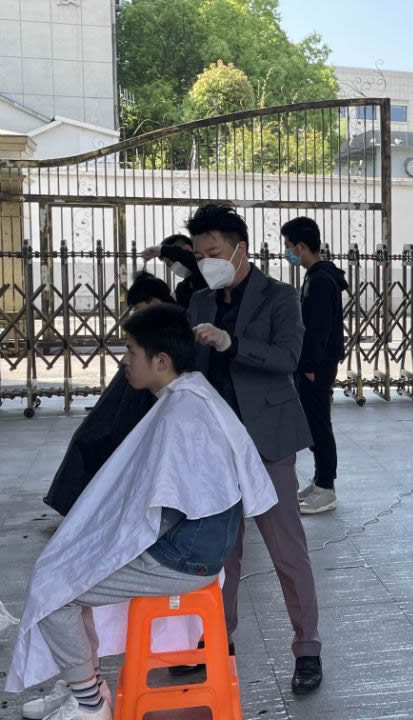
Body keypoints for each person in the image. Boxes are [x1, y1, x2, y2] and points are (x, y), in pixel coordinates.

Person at [6, 304, 278, 720]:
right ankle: (83, 683)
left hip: (184, 556)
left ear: (161, 361)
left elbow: (166, 507)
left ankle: (89, 703)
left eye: (131, 352)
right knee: (69, 565)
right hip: (194, 544)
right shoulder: (191, 396)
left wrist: (106, 541)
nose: (125, 361)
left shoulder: (182, 414)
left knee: (53, 588)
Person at [184, 203, 323, 693]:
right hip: (215, 444)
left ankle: (307, 650)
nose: (206, 262)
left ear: (239, 249)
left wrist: (232, 343)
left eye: (213, 252)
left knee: (287, 551)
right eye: (199, 255)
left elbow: (288, 357)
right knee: (221, 553)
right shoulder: (200, 301)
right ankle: (216, 643)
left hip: (267, 440)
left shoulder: (280, 296)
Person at [43, 273, 174, 516]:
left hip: (141, 399)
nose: (139, 314)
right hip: (130, 395)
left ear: (156, 301)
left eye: (141, 308)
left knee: (106, 440)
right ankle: (75, 505)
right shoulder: (152, 324)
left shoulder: (173, 326)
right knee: (90, 437)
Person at [281, 217, 348, 515]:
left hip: (317, 364)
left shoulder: (321, 280)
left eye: (288, 246)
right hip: (315, 362)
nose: (287, 252)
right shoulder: (317, 275)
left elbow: (318, 328)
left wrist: (308, 365)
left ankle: (326, 487)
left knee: (319, 424)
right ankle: (320, 479)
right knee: (314, 422)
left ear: (301, 246)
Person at [142, 234, 207, 309]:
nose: (172, 267)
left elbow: (193, 262)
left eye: (172, 261)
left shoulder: (207, 274)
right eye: (168, 265)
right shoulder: (182, 288)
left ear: (188, 250)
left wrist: (163, 250)